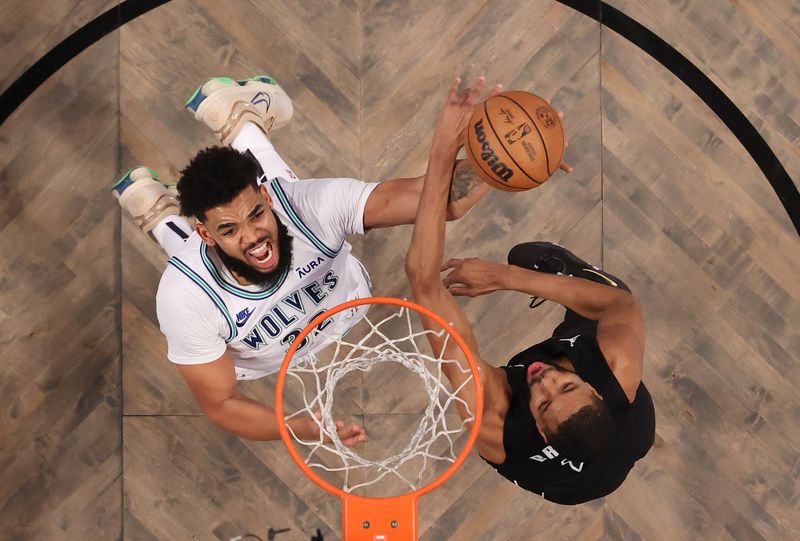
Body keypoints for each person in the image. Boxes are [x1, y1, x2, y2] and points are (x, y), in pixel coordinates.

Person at [113, 75, 490, 445]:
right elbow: (221, 403)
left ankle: (225, 131)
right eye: (228, 230)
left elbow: (441, 201)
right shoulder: (183, 296)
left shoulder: (309, 205)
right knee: (188, 264)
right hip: (266, 359)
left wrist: (516, 159)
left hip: (344, 302)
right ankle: (166, 207)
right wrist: (298, 427)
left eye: (257, 215)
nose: (253, 238)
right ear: (207, 235)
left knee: (283, 189)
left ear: (266, 198)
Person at [405, 77, 655, 505]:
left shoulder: (494, 420)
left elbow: (423, 281)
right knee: (610, 299)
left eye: (543, 404)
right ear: (597, 390)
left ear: (540, 430)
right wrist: (506, 277)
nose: (545, 382)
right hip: (636, 434)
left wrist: (444, 149)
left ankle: (561, 297)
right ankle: (569, 275)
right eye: (568, 387)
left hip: (569, 489)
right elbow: (620, 305)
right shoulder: (619, 365)